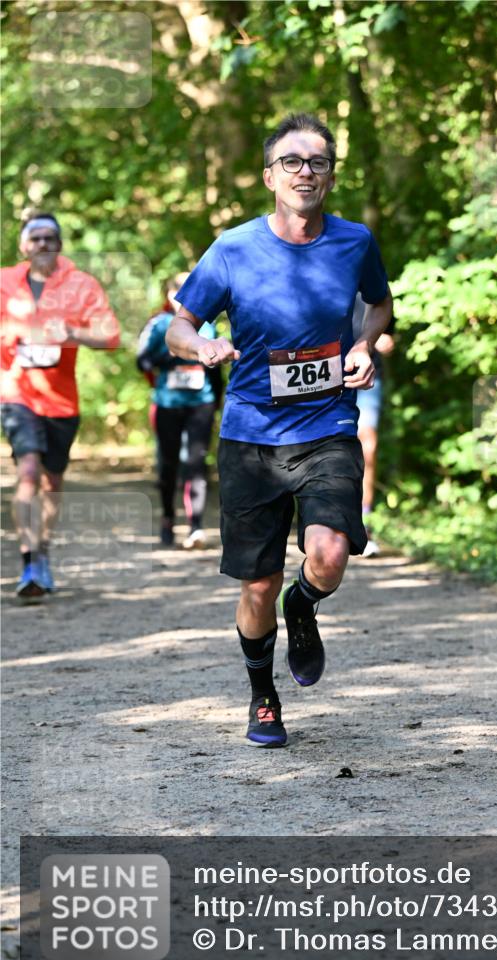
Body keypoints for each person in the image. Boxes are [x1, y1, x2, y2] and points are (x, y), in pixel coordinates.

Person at [166, 112, 393, 748]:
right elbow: (179, 326)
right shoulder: (233, 249)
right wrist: (203, 347)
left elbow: (379, 303)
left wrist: (363, 344)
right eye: (291, 162)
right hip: (251, 436)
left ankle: (305, 602)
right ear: (270, 176)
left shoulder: (355, 242)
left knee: (330, 554)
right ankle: (262, 695)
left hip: (328, 425)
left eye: (317, 162)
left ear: (331, 177)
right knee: (257, 585)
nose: (304, 172)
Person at [0, 212, 120, 598]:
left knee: (51, 482)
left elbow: (110, 335)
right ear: (23, 246)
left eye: (50, 237)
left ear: (60, 244)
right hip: (16, 392)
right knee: (28, 471)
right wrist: (14, 333)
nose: (42, 244)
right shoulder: (4, 281)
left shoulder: (81, 285)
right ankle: (29, 561)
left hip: (61, 400)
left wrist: (71, 332)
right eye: (35, 238)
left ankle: (43, 552)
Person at [137, 273, 220, 548]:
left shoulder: (208, 325)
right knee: (168, 464)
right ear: (169, 294)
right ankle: (168, 519)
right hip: (167, 404)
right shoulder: (159, 324)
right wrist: (174, 355)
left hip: (201, 403)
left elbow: (216, 369)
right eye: (177, 291)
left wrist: (217, 399)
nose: (183, 296)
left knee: (196, 463)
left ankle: (195, 527)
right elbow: (142, 361)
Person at [352, 293, 394, 557]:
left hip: (367, 376)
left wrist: (384, 340)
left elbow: (387, 331)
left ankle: (364, 526)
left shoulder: (374, 282)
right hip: (327, 377)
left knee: (368, 446)